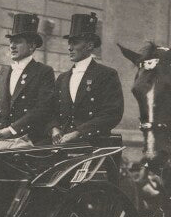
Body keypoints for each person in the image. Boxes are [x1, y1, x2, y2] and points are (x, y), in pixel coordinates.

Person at [48, 12, 123, 144]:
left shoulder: (106, 75)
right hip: (62, 147)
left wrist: (79, 132)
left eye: (75, 43)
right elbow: (52, 110)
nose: (70, 48)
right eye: (69, 43)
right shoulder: (63, 78)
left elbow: (112, 113)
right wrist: (54, 128)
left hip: (93, 146)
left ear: (89, 45)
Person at [0, 13, 55, 144]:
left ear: (32, 46)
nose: (12, 46)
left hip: (30, 142)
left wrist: (12, 130)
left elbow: (42, 110)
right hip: (0, 141)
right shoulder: (3, 73)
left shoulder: (43, 72)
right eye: (11, 42)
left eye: (18, 42)